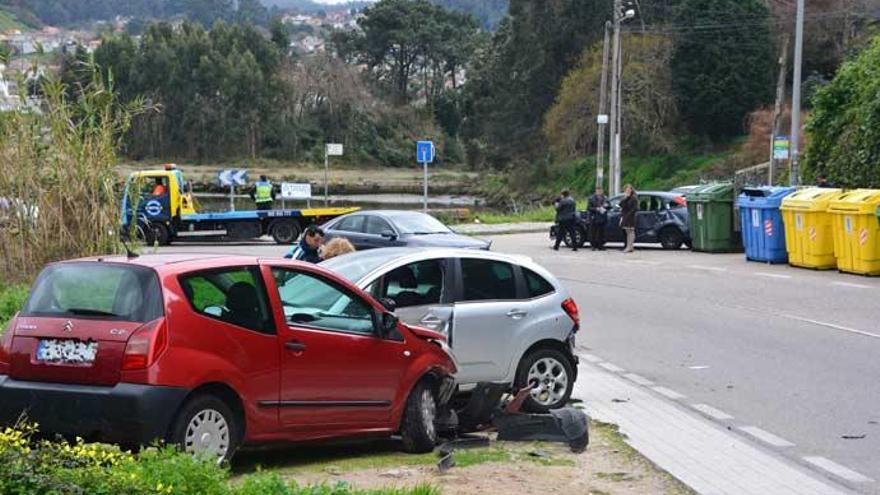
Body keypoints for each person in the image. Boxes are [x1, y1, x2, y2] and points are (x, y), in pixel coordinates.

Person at [619, 184, 639, 253]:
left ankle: (629, 246)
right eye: (626, 189)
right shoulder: (626, 197)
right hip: (625, 216)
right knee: (627, 232)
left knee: (631, 231)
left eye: (628, 189)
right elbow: (621, 205)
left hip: (631, 217)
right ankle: (629, 246)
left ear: (631, 189)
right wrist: (625, 198)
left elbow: (635, 208)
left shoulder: (634, 198)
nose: (627, 190)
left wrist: (628, 215)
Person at [587, 186, 607, 251]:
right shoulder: (591, 198)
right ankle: (593, 246)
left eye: (600, 191)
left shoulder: (605, 198)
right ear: (596, 191)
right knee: (593, 232)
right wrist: (596, 209)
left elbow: (610, 205)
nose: (599, 192)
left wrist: (606, 206)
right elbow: (589, 208)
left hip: (602, 217)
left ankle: (600, 245)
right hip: (594, 217)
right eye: (598, 191)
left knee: (601, 232)